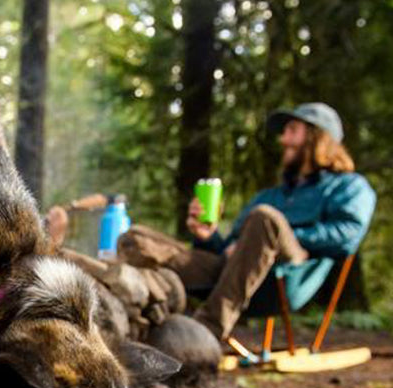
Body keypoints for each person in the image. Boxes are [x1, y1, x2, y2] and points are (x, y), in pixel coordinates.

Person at [118, 103, 377, 343]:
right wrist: (207, 236)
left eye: (292, 131)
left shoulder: (349, 186)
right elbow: (227, 248)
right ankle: (138, 330)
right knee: (136, 238)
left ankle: (206, 331)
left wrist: (290, 237)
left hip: (288, 276)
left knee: (265, 217)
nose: (283, 139)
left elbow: (349, 232)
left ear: (318, 137)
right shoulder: (270, 195)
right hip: (233, 271)